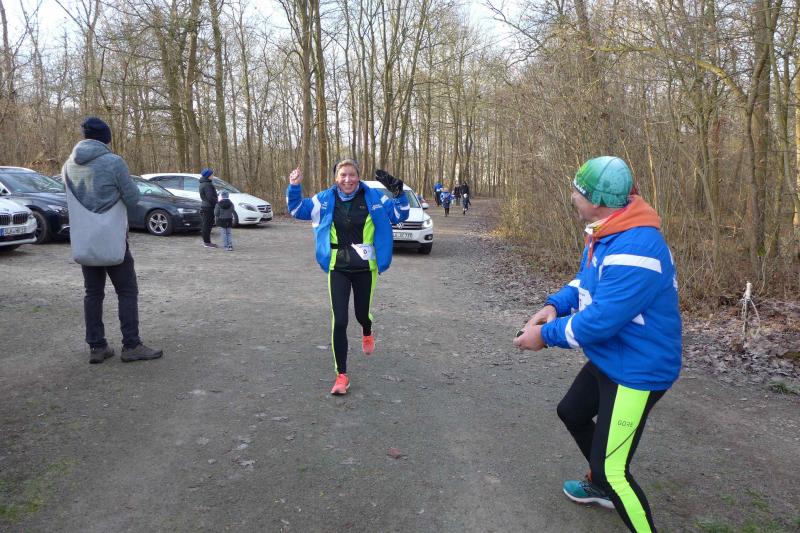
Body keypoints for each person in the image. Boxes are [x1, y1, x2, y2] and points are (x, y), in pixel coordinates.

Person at [513, 156, 681, 533]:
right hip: (613, 358)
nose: (572, 197)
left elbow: (601, 321)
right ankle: (601, 484)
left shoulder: (637, 248)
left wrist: (545, 336)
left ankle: (608, 483)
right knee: (572, 412)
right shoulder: (606, 229)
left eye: (578, 192)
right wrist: (554, 305)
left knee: (614, 470)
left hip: (638, 370)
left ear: (599, 201)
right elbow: (586, 282)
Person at [286, 159, 410, 395]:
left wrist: (398, 193)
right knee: (340, 320)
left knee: (362, 314)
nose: (347, 179)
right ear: (336, 178)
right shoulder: (324, 199)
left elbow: (399, 215)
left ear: (358, 176)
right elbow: (297, 209)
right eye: (343, 175)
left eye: (352, 174)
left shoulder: (373, 197)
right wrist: (294, 186)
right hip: (338, 267)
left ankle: (367, 329)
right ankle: (341, 375)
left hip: (365, 267)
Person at [63, 116, 163, 364]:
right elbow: (133, 198)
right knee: (127, 291)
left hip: (86, 240)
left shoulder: (68, 165)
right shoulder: (114, 162)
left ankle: (97, 347)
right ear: (105, 138)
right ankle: (131, 345)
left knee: (92, 293)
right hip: (112, 239)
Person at [199, 167, 218, 248]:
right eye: (212, 174)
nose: (213, 176)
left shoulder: (203, 183)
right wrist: (216, 202)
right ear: (208, 175)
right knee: (207, 225)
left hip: (205, 206)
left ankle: (206, 242)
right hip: (208, 207)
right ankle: (207, 242)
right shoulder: (207, 185)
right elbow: (210, 197)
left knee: (206, 224)